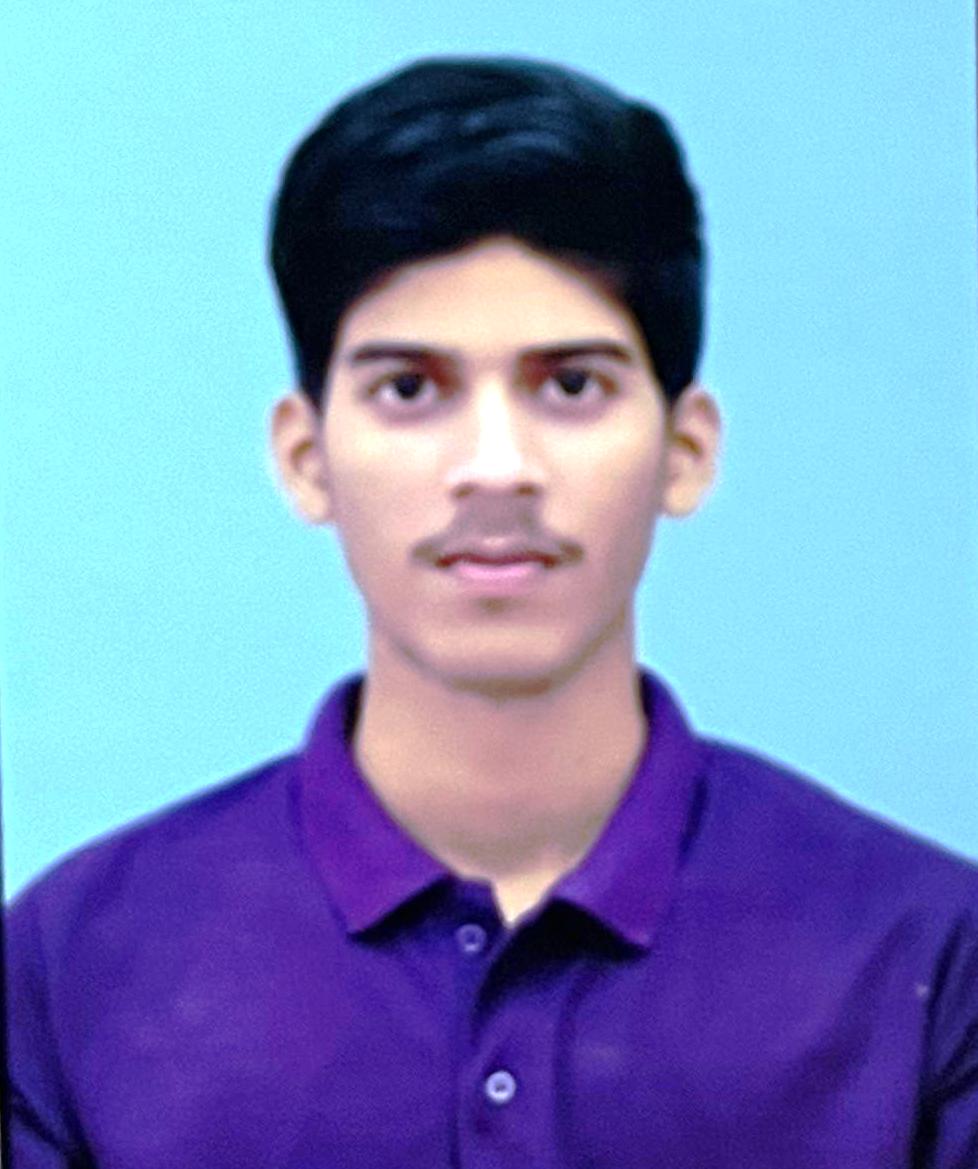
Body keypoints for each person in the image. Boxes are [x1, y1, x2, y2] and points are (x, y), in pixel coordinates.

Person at [4, 55, 976, 1169]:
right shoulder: (70, 970)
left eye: (571, 385)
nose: (497, 467)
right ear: (306, 456)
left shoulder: (925, 957)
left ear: (686, 449)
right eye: (410, 389)